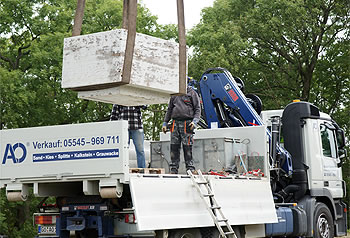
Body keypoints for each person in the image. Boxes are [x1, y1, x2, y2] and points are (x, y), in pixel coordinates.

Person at [162, 81, 201, 174]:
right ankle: (173, 169)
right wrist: (165, 123)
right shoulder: (174, 94)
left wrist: (195, 121)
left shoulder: (192, 93)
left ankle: (190, 168)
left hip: (187, 123)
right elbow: (170, 109)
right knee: (174, 147)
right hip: (175, 123)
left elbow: (198, 109)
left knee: (187, 146)